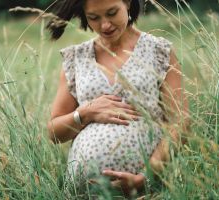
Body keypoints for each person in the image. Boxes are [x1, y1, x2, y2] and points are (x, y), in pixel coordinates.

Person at [47, 0, 190, 197]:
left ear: (128, 4)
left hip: (146, 190)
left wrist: (145, 176)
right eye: (94, 18)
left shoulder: (158, 51)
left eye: (112, 13)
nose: (105, 25)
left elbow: (181, 123)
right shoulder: (76, 58)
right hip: (85, 193)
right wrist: (85, 113)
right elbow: (54, 132)